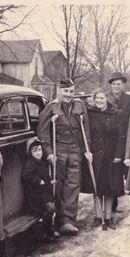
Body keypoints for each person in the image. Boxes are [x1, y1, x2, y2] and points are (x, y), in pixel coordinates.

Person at [37, 79, 91, 236]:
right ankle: (55, 220)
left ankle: (67, 221)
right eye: (66, 91)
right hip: (58, 149)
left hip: (75, 149)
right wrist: (49, 152)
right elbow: (43, 132)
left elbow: (85, 130)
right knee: (58, 185)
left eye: (71, 92)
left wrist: (88, 149)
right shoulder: (51, 107)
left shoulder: (80, 107)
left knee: (73, 184)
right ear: (59, 91)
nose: (69, 95)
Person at [85, 89, 126, 229]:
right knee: (97, 187)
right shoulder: (90, 114)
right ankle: (98, 216)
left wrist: (119, 155)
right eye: (97, 98)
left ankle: (107, 217)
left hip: (111, 155)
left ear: (107, 99)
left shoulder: (116, 114)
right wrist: (88, 151)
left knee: (110, 188)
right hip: (95, 155)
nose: (99, 101)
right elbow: (86, 134)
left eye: (102, 98)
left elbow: (121, 136)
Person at [108, 72, 130, 211]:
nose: (116, 87)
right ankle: (112, 205)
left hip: (127, 141)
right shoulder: (106, 98)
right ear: (110, 85)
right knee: (112, 175)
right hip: (111, 143)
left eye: (118, 84)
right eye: (114, 84)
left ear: (123, 85)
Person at [22, 137, 58, 241]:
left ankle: (49, 229)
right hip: (35, 196)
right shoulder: (30, 164)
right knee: (50, 208)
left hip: (43, 193)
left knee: (52, 205)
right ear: (30, 152)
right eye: (34, 151)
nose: (38, 153)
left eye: (39, 150)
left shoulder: (42, 162)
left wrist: (50, 181)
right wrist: (37, 181)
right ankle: (45, 232)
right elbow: (26, 175)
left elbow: (46, 177)